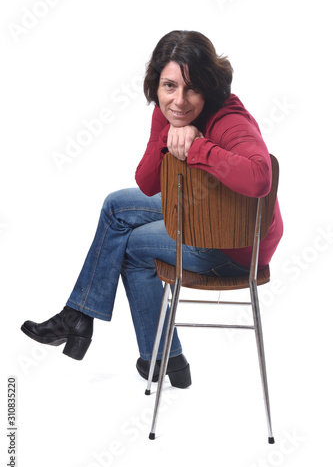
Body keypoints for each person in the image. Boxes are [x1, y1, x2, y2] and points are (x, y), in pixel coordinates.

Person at [21, 30, 283, 388]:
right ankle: (79, 316)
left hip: (236, 246)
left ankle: (160, 356)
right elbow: (147, 183)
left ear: (209, 86)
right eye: (169, 86)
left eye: (191, 88)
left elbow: (259, 178)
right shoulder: (170, 113)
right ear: (156, 85)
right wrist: (169, 132)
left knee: (125, 249)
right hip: (204, 210)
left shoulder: (229, 120)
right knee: (116, 207)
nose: (179, 100)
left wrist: (197, 147)